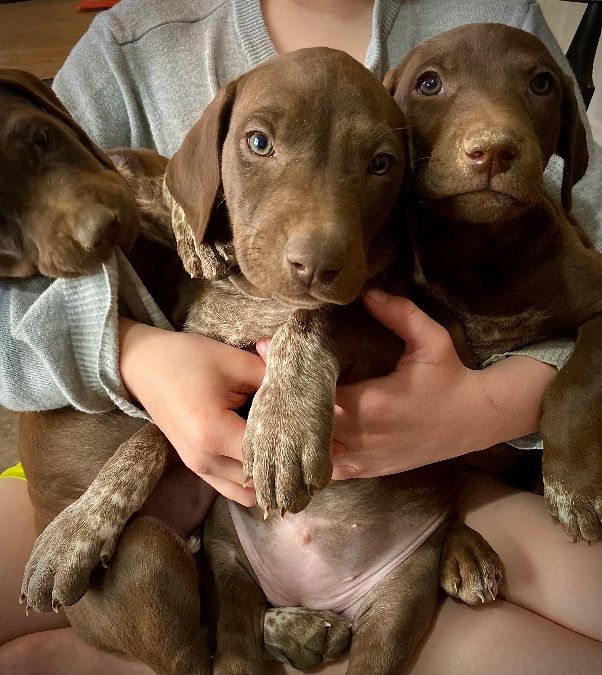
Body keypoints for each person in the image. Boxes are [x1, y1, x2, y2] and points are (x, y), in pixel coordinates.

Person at [0, 0, 601, 672]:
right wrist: (135, 356)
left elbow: (587, 237)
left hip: (427, 477)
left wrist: (487, 408)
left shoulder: (493, 14)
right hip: (148, 455)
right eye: (259, 143)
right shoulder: (127, 47)